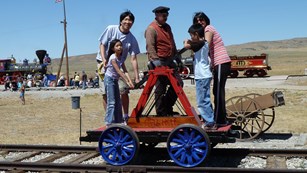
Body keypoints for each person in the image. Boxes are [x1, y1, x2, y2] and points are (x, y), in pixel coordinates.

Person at [96, 10, 140, 122]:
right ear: (121, 21)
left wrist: (136, 76)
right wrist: (104, 59)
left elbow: (133, 58)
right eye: (125, 19)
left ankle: (124, 116)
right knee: (106, 93)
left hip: (119, 64)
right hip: (104, 64)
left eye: (130, 20)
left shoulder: (132, 39)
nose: (128, 22)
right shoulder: (111, 29)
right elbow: (102, 44)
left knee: (123, 90)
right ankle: (109, 119)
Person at [193, 12, 231, 126]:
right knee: (217, 91)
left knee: (218, 92)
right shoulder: (204, 31)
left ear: (206, 20)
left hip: (221, 62)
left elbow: (206, 44)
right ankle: (220, 117)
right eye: (197, 21)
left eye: (202, 19)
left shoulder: (208, 29)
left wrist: (190, 44)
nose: (200, 22)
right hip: (218, 64)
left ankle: (220, 120)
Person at [145, 6, 183, 116]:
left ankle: (167, 107)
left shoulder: (168, 27)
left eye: (166, 15)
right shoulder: (151, 29)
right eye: (163, 15)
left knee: (178, 83)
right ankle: (161, 112)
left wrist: (177, 58)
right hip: (159, 61)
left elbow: (172, 43)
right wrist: (156, 63)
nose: (166, 17)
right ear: (157, 15)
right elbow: (150, 47)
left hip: (170, 60)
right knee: (160, 88)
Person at [183, 23, 215, 129]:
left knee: (202, 101)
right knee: (205, 98)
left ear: (196, 34)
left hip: (202, 76)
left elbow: (187, 45)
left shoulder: (201, 43)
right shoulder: (202, 43)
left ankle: (209, 122)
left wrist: (187, 41)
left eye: (192, 35)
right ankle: (209, 118)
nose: (191, 37)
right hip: (203, 75)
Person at [104, 39, 134, 127]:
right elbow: (119, 72)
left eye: (120, 45)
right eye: (117, 46)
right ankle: (108, 122)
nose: (119, 47)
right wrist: (127, 82)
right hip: (109, 79)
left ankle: (119, 121)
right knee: (112, 102)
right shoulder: (113, 58)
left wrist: (130, 81)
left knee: (118, 101)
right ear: (113, 48)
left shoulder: (121, 57)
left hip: (115, 80)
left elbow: (125, 70)